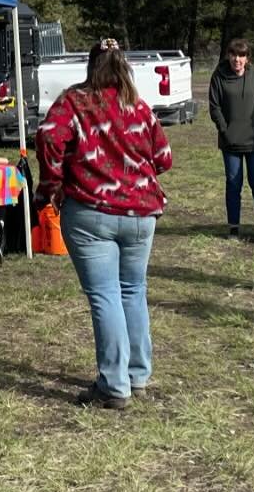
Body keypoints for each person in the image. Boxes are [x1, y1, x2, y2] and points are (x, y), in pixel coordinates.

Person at [36, 39, 172, 410]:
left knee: (106, 295)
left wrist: (50, 184)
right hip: (142, 213)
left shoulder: (73, 102)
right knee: (133, 290)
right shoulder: (139, 106)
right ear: (124, 67)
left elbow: (49, 136)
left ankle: (114, 385)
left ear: (90, 66)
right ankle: (137, 373)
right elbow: (164, 157)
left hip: (91, 211)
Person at [208, 38, 254, 240]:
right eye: (234, 55)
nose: (237, 59)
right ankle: (234, 227)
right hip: (231, 142)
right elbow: (214, 106)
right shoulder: (219, 76)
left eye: (242, 55)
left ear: (247, 58)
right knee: (233, 183)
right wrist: (224, 129)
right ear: (228, 55)